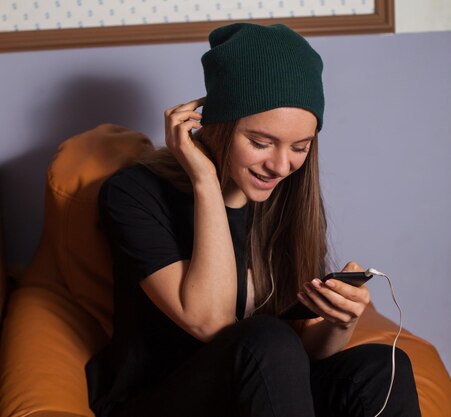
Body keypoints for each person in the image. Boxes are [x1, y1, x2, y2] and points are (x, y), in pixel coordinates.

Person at [85, 23, 422, 417]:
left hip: (259, 393)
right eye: (260, 143)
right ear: (216, 127)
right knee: (267, 338)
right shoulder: (133, 194)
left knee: (381, 368)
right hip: (158, 401)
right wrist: (206, 181)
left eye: (300, 147)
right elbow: (209, 321)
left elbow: (303, 350)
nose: (281, 166)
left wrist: (339, 321)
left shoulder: (288, 202)